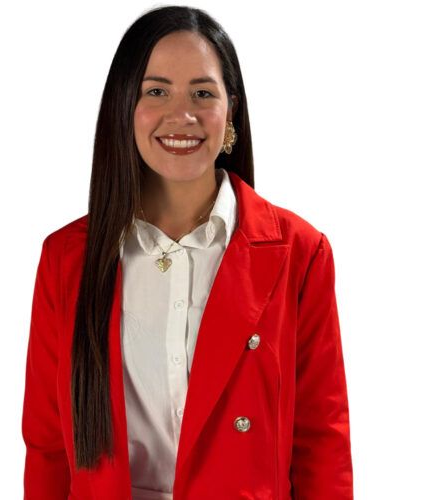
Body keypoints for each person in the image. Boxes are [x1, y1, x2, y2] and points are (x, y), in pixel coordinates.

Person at [21, 5, 353, 500]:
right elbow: (47, 446)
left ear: (231, 110)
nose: (183, 115)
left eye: (202, 93)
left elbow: (322, 442)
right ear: (124, 106)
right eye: (157, 91)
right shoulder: (66, 257)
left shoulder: (299, 252)